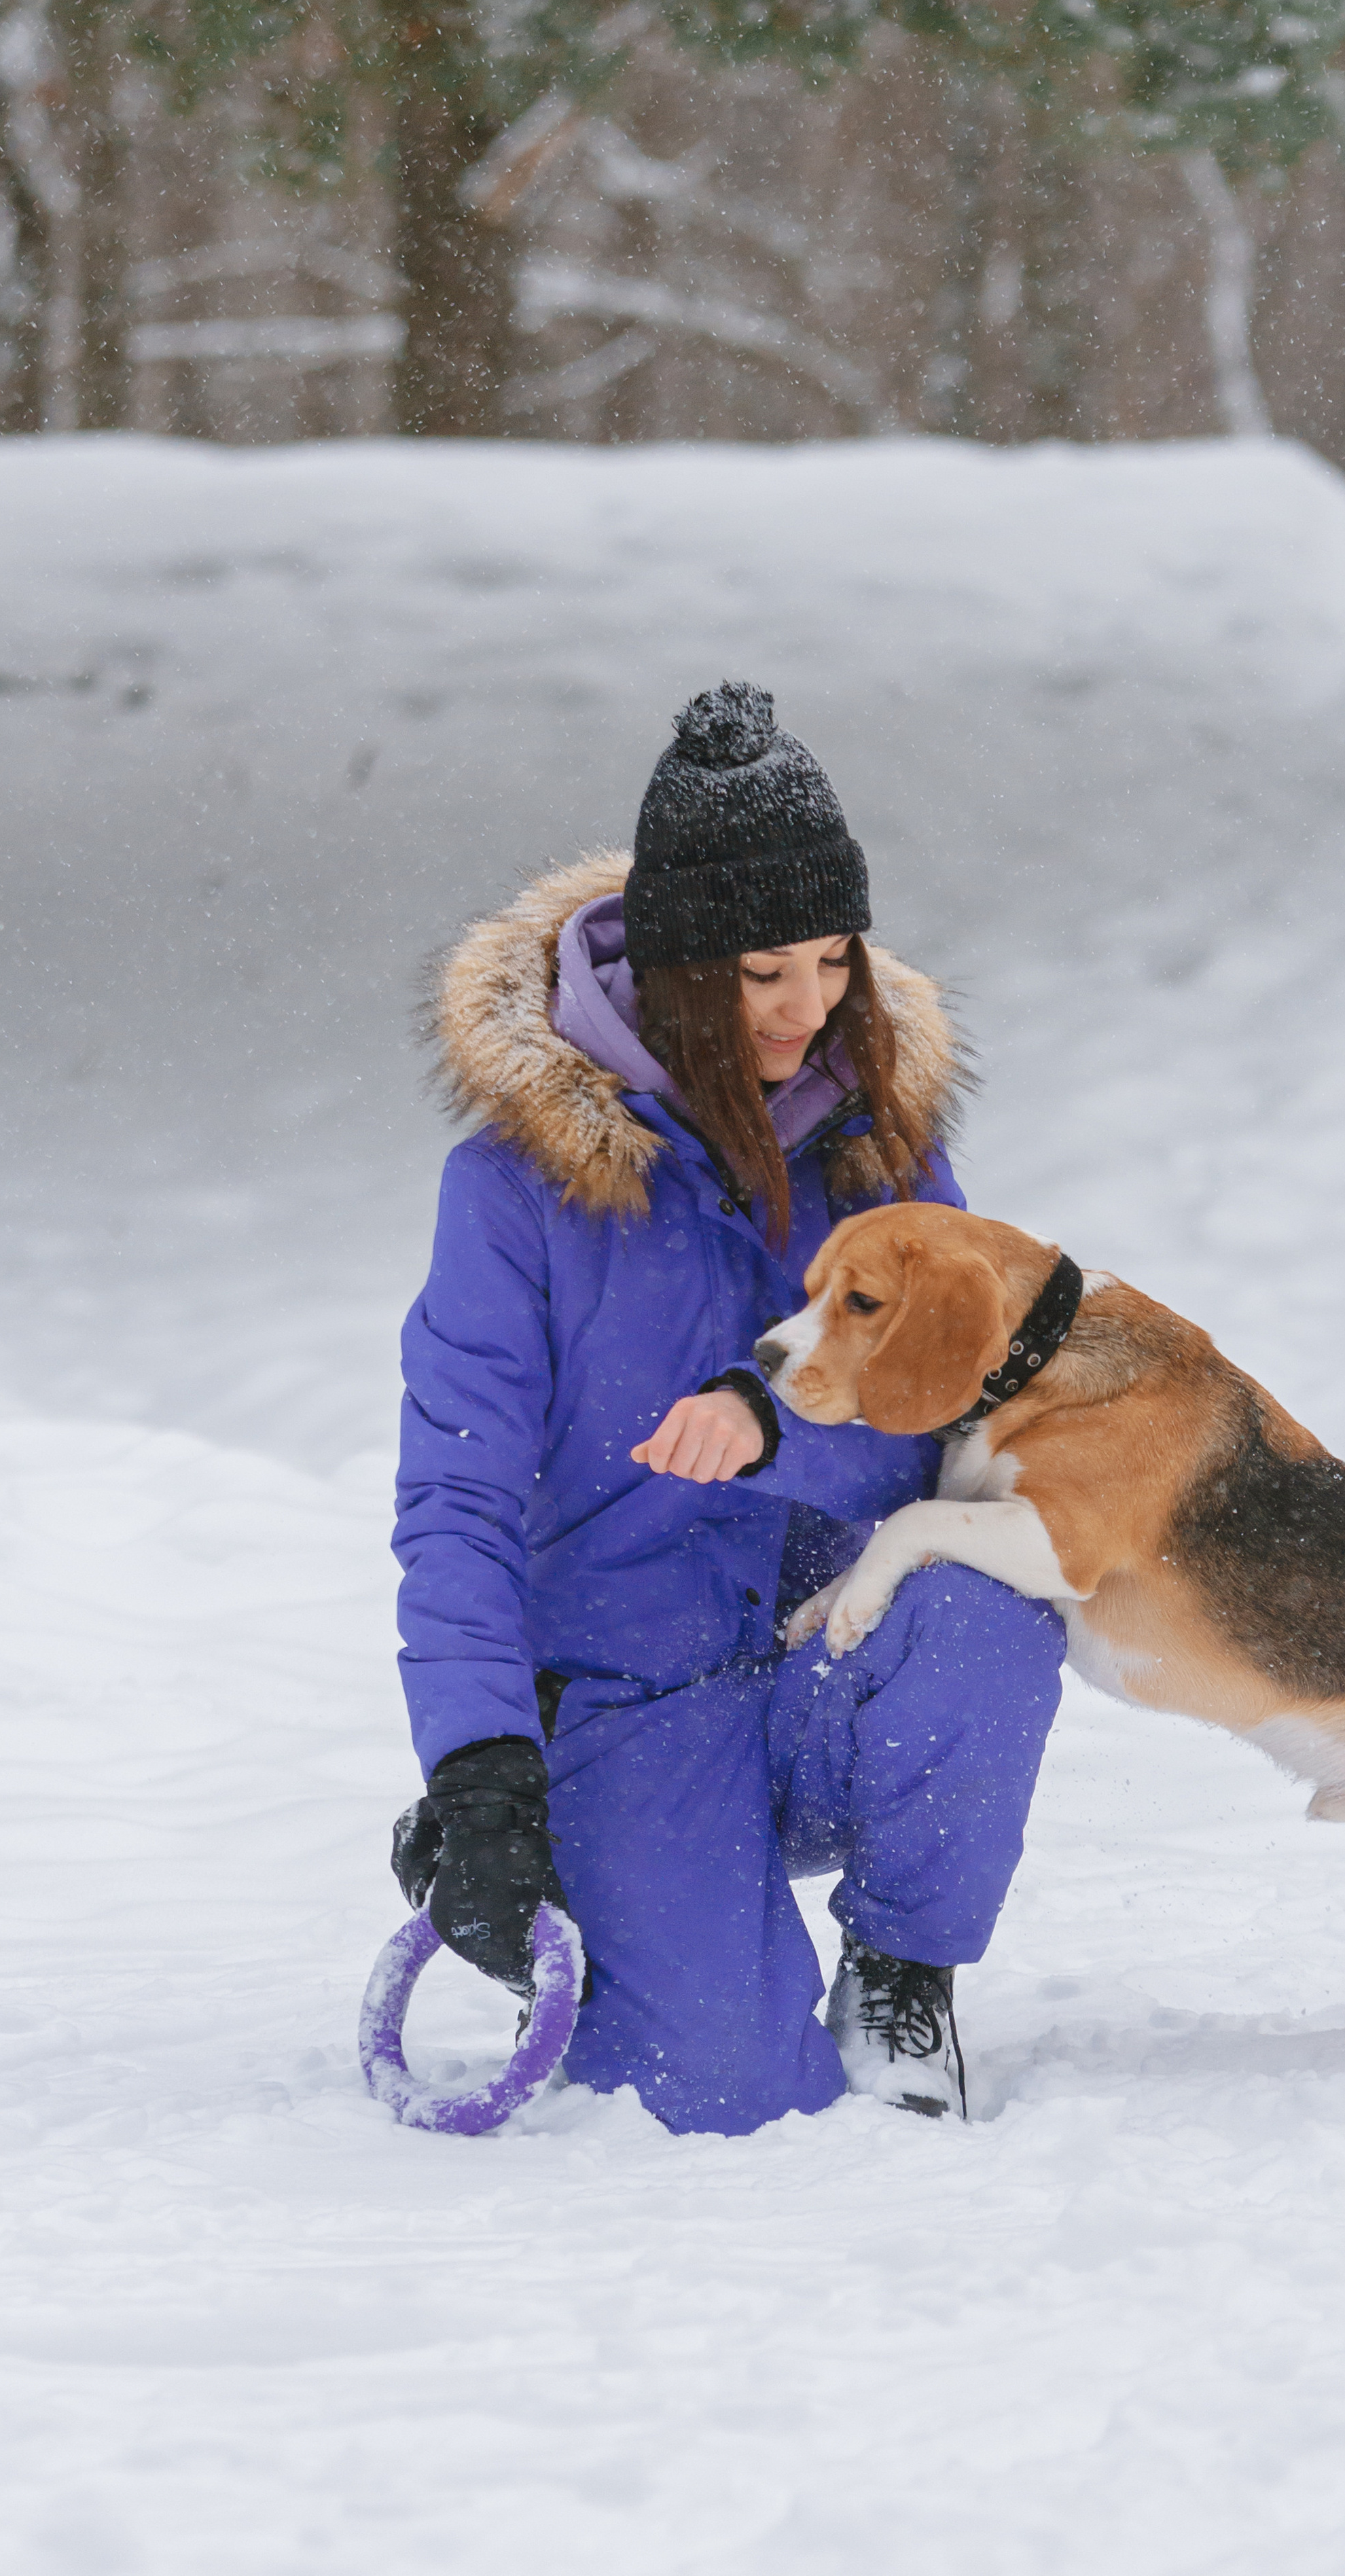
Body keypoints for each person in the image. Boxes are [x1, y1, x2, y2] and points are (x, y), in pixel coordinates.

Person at [389, 681, 1065, 2134]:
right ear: (680, 971)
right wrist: (479, 1767)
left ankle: (902, 1971)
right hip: (632, 1701)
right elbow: (454, 1498)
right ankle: (583, 1869)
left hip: (827, 1648)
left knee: (987, 1601)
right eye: (762, 972)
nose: (804, 1008)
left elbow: (956, 1407)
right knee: (729, 2099)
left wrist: (782, 1419)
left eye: (830, 963)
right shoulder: (513, 1194)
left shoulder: (882, 1139)